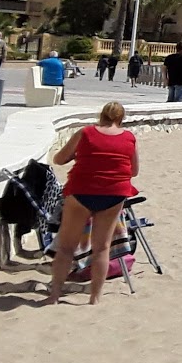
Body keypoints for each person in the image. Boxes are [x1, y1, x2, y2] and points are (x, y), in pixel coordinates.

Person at [44, 101, 137, 305]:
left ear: (101, 115)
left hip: (81, 191)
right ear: (121, 119)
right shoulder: (129, 138)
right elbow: (134, 171)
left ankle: (54, 295)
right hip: (113, 194)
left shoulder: (85, 133)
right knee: (102, 248)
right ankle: (94, 298)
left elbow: (59, 159)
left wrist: (79, 156)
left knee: (66, 247)